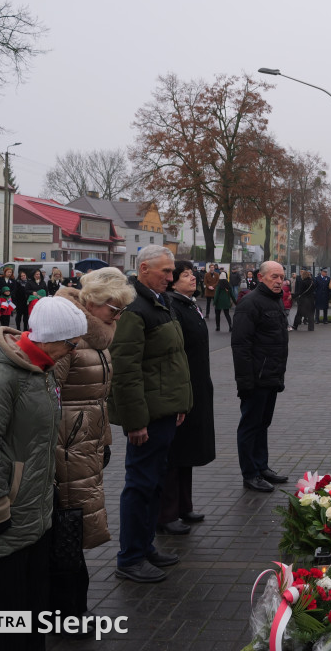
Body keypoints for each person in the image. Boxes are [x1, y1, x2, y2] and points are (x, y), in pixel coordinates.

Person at [0, 296, 88, 650]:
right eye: (71, 343)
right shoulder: (0, 375)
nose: (73, 351)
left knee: (28, 615)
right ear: (49, 337)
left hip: (33, 511)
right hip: (2, 516)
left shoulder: (39, 369)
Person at [52, 267, 135, 617]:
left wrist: (104, 439)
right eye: (112, 309)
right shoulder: (68, 336)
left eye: (120, 310)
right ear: (90, 303)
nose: (117, 317)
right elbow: (46, 397)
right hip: (66, 448)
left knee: (77, 526)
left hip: (87, 445)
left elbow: (98, 398)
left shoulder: (98, 336)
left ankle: (69, 609)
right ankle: (67, 613)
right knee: (68, 528)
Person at [108, 245, 192, 583]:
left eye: (173, 272)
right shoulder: (135, 308)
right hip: (147, 416)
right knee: (139, 485)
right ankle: (129, 557)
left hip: (164, 411)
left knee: (154, 483)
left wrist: (179, 406)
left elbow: (170, 360)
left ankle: (145, 547)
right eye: (165, 272)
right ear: (143, 269)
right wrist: (136, 421)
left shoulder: (160, 301)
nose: (170, 278)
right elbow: (126, 371)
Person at [158, 261, 216, 536]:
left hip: (197, 384)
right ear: (172, 281)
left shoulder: (189, 304)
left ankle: (184, 505)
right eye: (186, 275)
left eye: (194, 274)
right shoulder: (172, 306)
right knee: (175, 451)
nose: (193, 278)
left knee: (188, 448)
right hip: (181, 387)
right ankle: (167, 513)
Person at [232, 261, 290, 493]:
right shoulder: (250, 303)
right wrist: (245, 381)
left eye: (282, 277)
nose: (279, 281)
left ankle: (261, 466)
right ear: (260, 277)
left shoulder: (274, 300)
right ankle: (250, 473)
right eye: (274, 277)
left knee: (262, 424)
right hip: (255, 378)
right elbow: (241, 345)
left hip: (271, 375)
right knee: (250, 425)